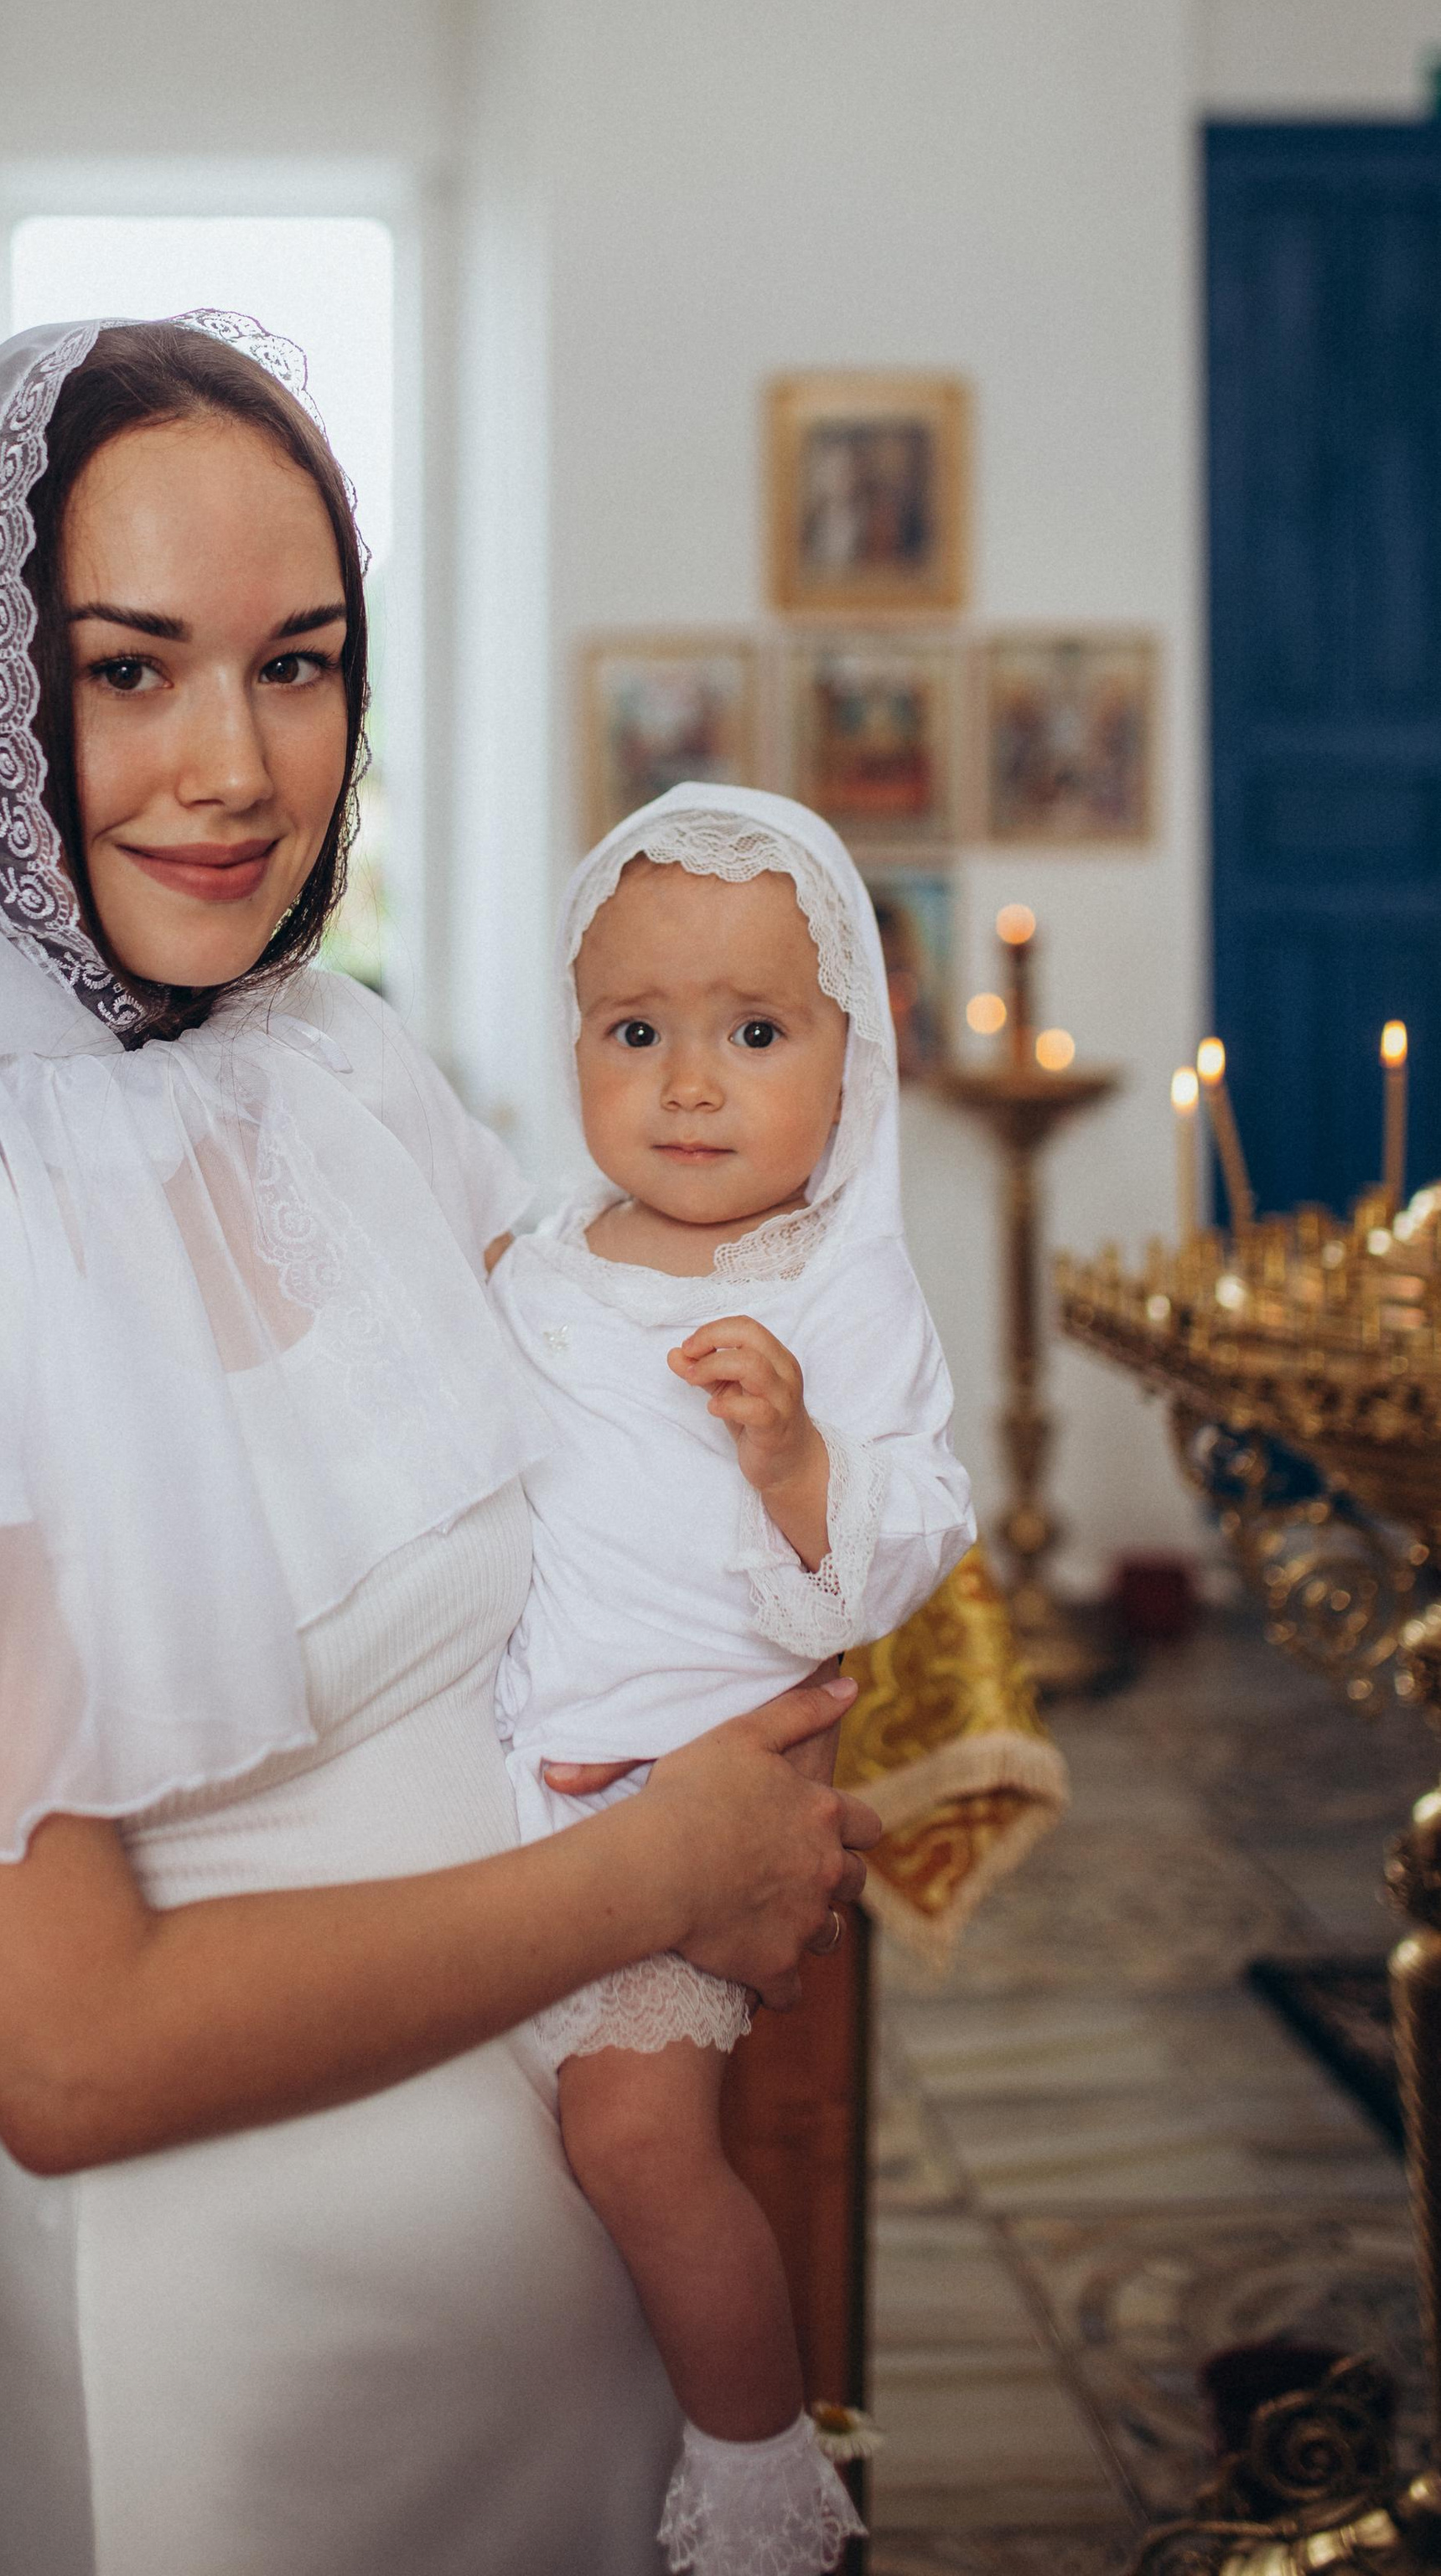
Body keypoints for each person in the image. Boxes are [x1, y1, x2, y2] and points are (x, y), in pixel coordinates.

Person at [0, 321, 881, 2576]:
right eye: (128, 671)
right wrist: (668, 1873)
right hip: (250, 2389)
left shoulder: (336, 1068)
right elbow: (69, 2054)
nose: (234, 766)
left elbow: (611, 1487)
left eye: (299, 665)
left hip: (590, 2280)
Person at [491, 782, 976, 2574]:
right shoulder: (542, 1261)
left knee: (635, 2140)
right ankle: (566, 2461)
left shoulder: (830, 1285)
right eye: (635, 1031)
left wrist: (795, 1461)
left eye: (753, 1032)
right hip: (505, 1784)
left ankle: (760, 2470)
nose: (687, 1085)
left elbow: (915, 1514)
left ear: (851, 1060)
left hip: (675, 1804)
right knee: (512, 2184)